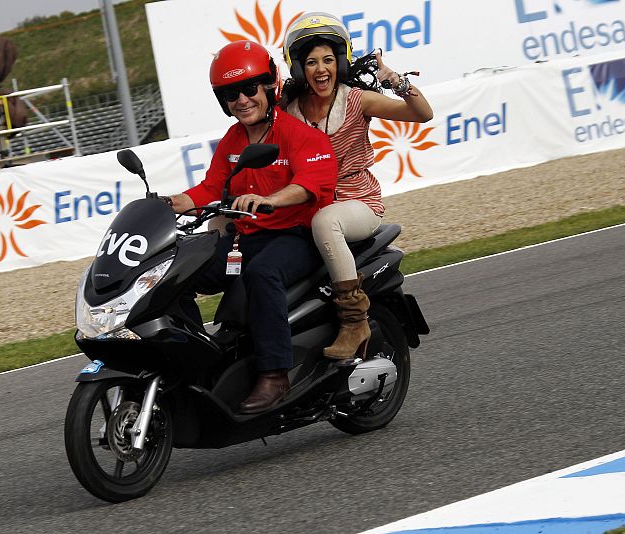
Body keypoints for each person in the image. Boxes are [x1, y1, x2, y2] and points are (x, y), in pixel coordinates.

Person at [166, 40, 337, 414]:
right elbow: (211, 188)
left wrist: (271, 200)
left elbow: (309, 184)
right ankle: (197, 362)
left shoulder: (301, 136)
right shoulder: (233, 140)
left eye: (248, 88)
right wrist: (172, 202)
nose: (241, 100)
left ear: (268, 86)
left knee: (262, 273)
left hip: (295, 237)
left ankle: (275, 374)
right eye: (230, 93)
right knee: (174, 273)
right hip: (247, 238)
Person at [281, 13, 433, 360]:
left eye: (328, 60)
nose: (321, 69)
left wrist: (395, 80)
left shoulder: (356, 100)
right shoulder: (288, 111)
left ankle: (355, 320)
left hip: (356, 202)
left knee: (326, 222)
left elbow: (422, 114)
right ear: (299, 68)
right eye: (311, 62)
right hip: (308, 203)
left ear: (340, 63)